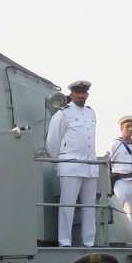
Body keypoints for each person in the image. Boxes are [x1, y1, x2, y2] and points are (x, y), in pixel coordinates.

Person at [45, 79, 99, 247]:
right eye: (78, 92)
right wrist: (59, 161)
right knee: (67, 205)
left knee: (89, 206)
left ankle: (89, 241)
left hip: (90, 165)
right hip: (70, 164)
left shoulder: (91, 113)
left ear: (87, 94)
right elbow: (53, 141)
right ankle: (65, 240)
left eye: (84, 92)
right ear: (72, 94)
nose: (81, 95)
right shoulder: (63, 114)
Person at [108, 116, 132, 244]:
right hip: (121, 182)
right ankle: (115, 239)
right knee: (118, 212)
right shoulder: (116, 144)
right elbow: (107, 162)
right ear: (121, 129)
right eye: (127, 127)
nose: (130, 129)